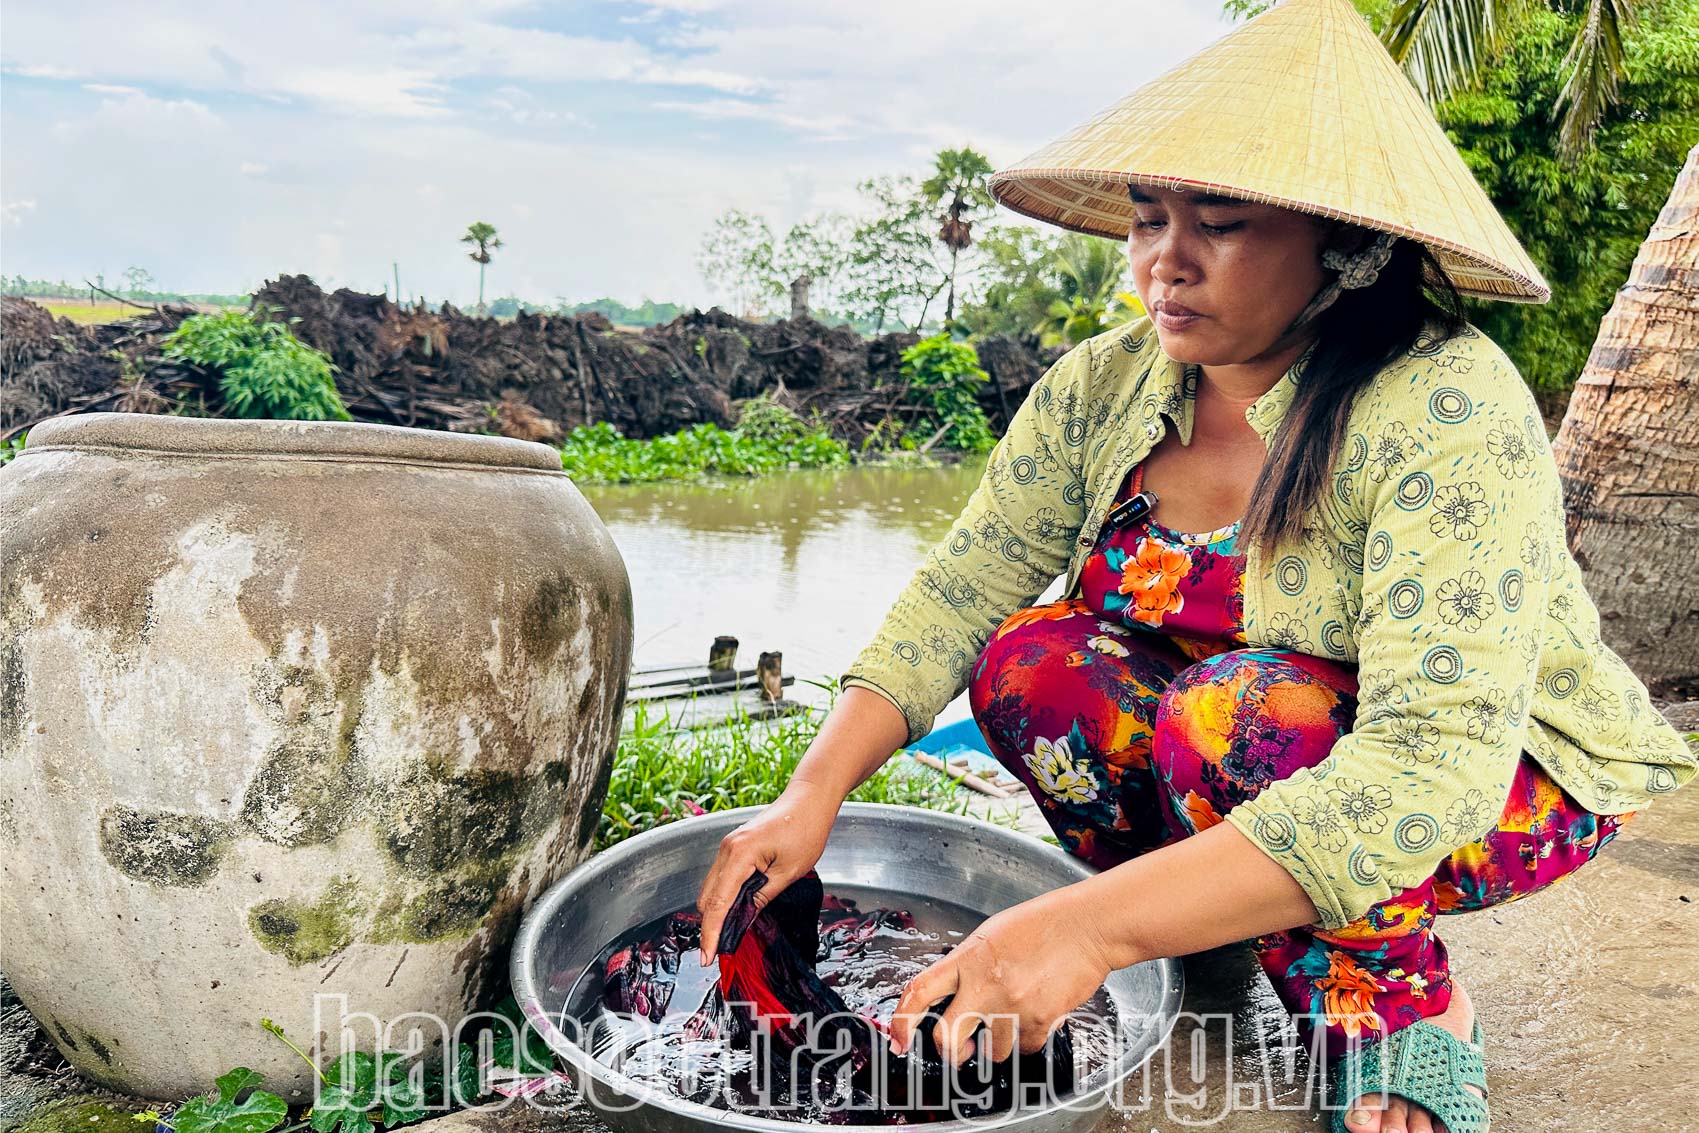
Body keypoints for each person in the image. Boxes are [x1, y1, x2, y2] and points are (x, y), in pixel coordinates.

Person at [694, 1, 1696, 1130]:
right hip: (1226, 740)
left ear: (1346, 245)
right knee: (1033, 664)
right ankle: (1205, 917)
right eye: (1147, 218)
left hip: (1488, 771)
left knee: (1236, 715)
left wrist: (1083, 927)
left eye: (1217, 223)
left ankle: (1393, 999)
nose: (1162, 262)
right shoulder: (1100, 386)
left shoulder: (1445, 407)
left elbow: (1435, 759)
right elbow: (961, 591)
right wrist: (811, 794)